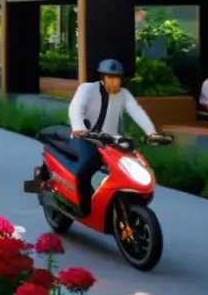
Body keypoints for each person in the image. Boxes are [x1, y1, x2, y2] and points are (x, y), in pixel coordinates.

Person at [68, 59, 164, 216]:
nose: (114, 82)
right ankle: (81, 208)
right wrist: (79, 128)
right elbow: (75, 108)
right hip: (86, 137)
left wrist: (151, 133)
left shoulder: (124, 95)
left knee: (127, 167)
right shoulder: (87, 89)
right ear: (103, 78)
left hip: (111, 139)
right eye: (110, 77)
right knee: (86, 170)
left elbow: (137, 111)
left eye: (117, 78)